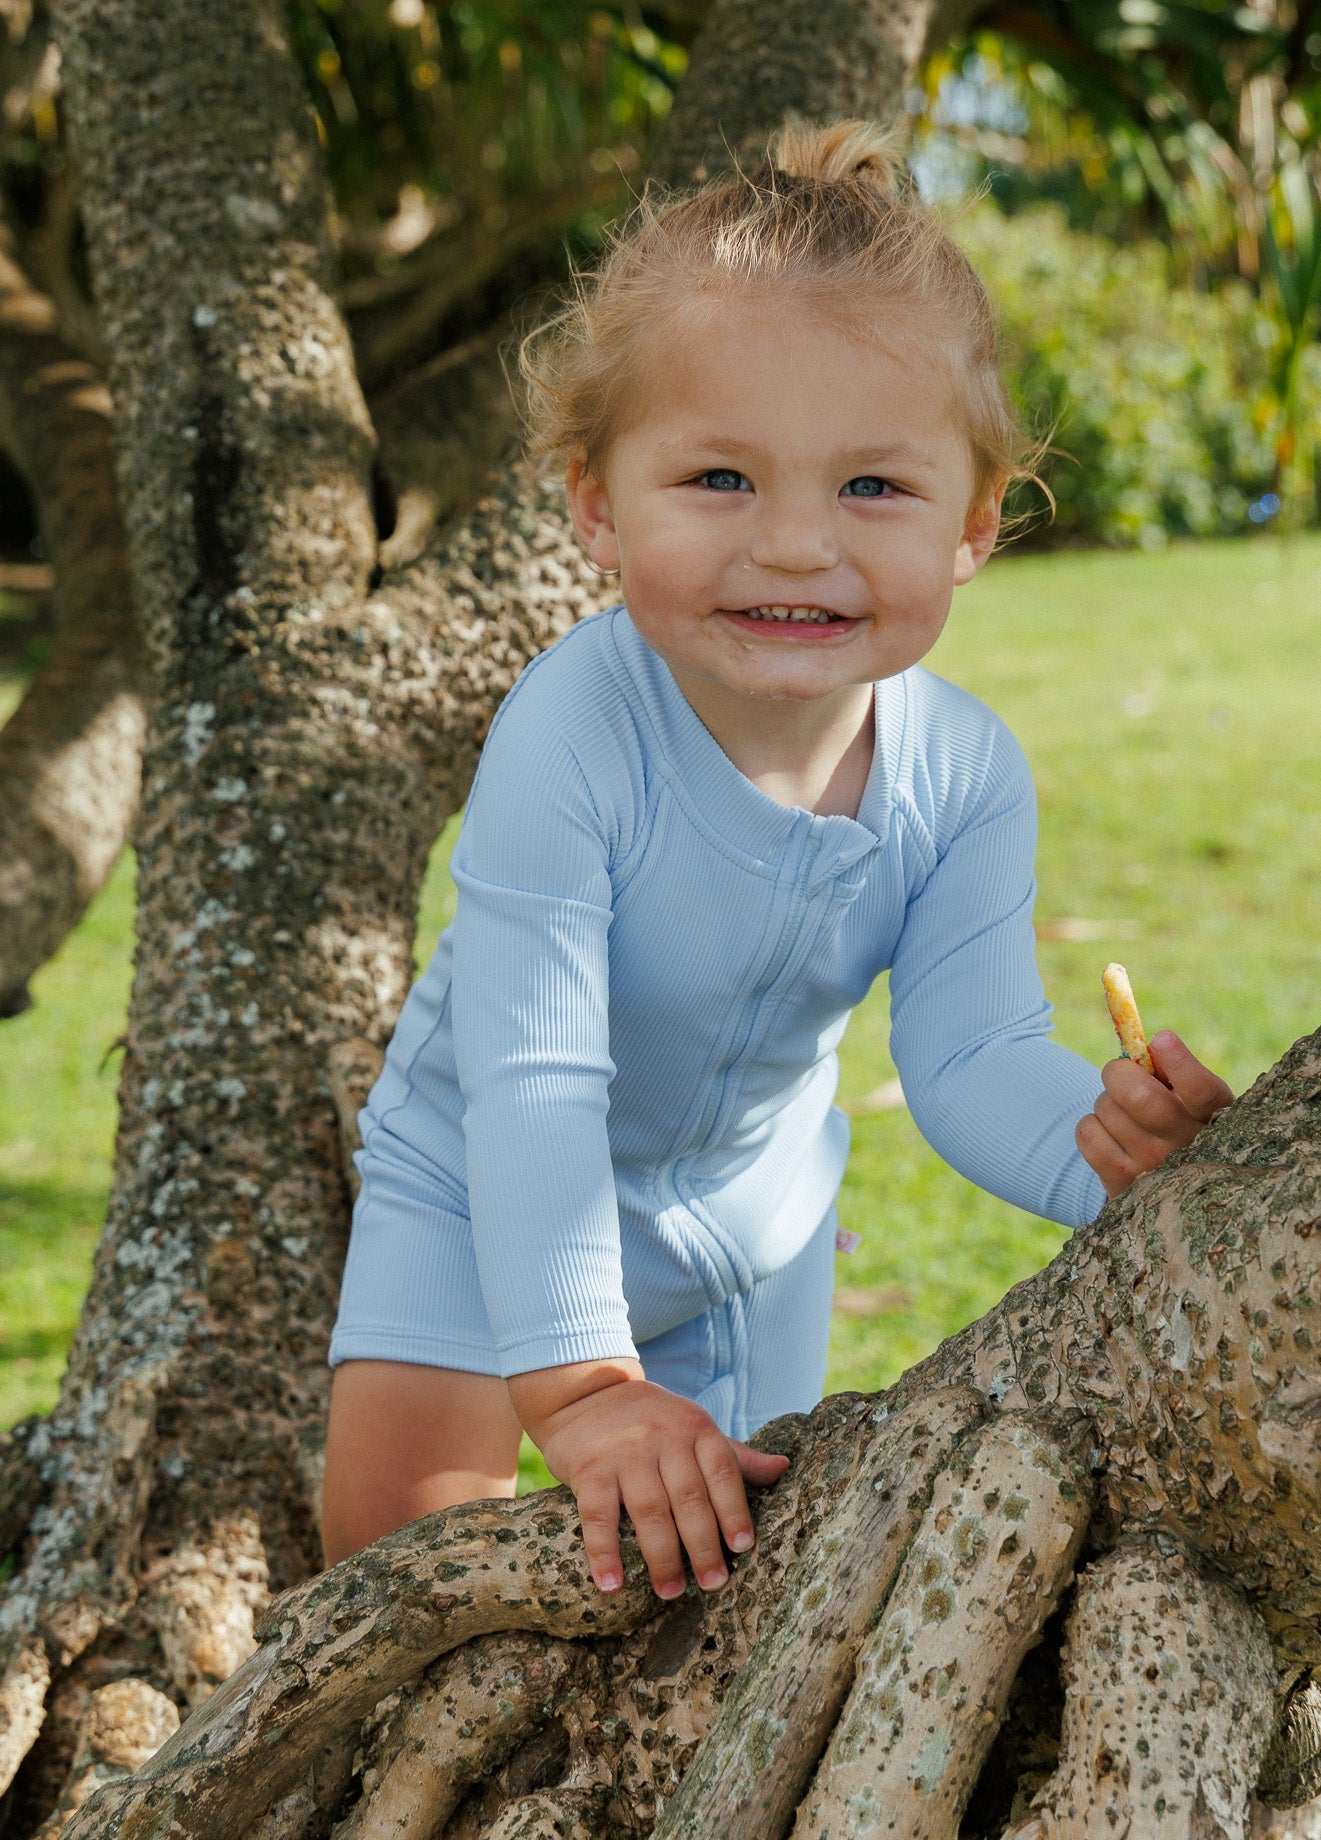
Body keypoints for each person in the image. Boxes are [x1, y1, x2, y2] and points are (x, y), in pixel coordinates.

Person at [321, 120, 1232, 1599]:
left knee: (722, 1596)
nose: (799, 544)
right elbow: (534, 1083)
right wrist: (582, 1391)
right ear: (596, 504)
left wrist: (1119, 1155)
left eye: (872, 488)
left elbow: (973, 1054)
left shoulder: (962, 773)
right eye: (719, 479)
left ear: (973, 524)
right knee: (395, 1570)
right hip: (481, 1190)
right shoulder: (574, 729)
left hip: (755, 1225)